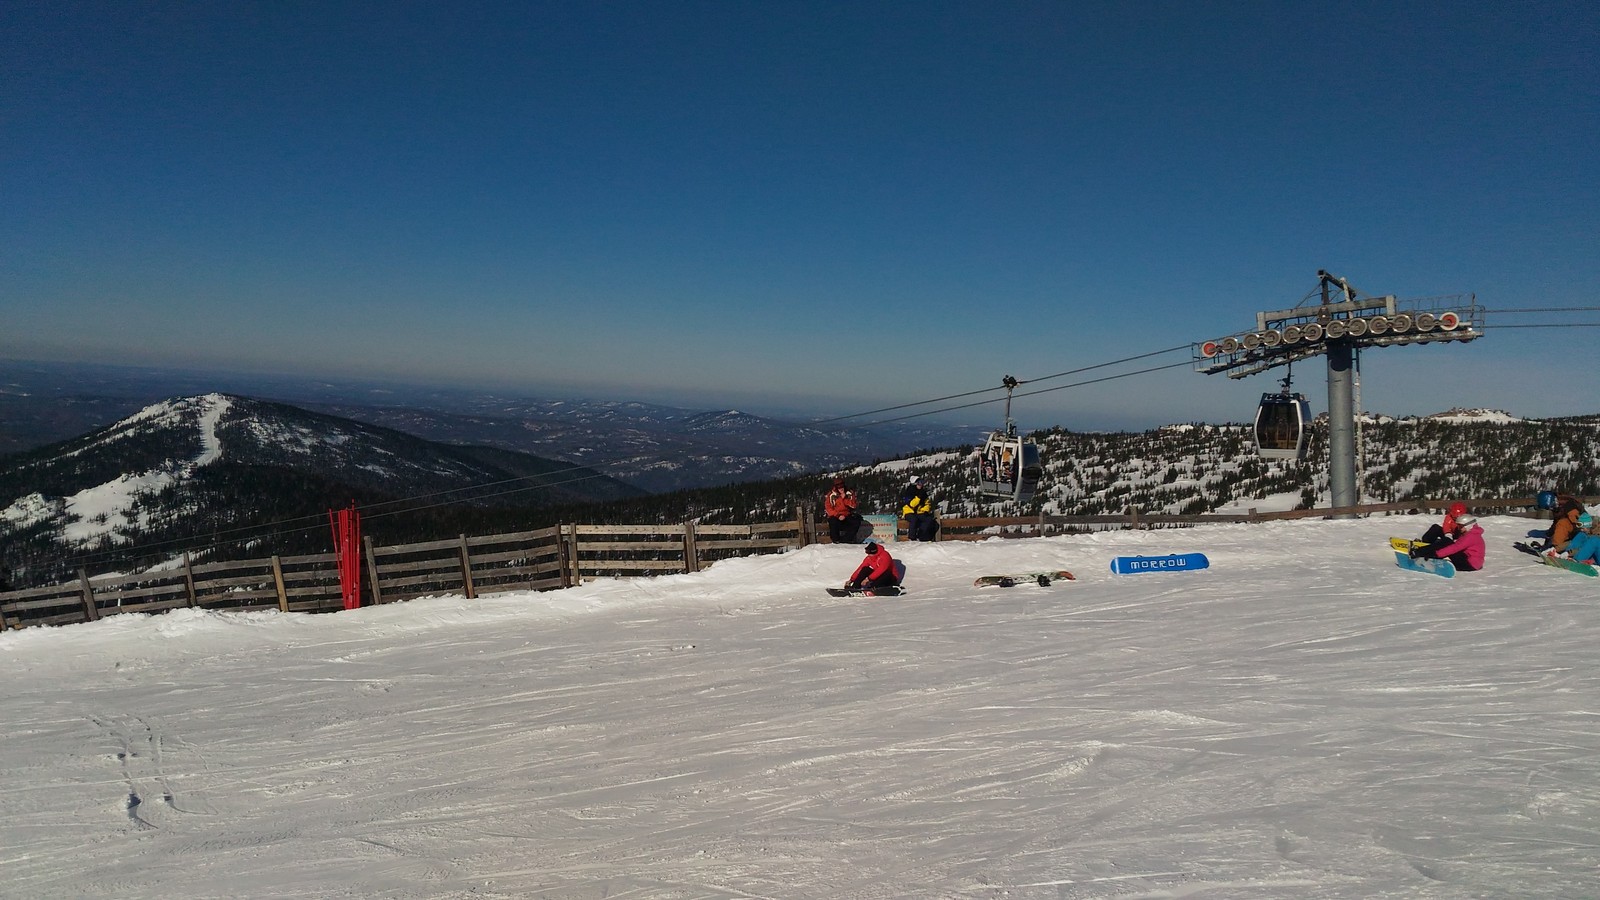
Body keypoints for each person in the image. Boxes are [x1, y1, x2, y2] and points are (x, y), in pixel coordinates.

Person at [1410, 513, 1485, 571]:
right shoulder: (1472, 534)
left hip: (1469, 564)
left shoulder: (1471, 536)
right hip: (1471, 563)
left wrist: (1436, 554)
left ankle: (1419, 552)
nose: (1459, 528)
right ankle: (1422, 551)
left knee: (1447, 542)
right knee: (1445, 542)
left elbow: (1454, 548)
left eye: (1461, 526)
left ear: (1469, 526)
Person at [899, 476, 938, 542]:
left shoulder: (923, 493)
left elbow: (927, 504)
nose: (920, 485)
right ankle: (912, 538)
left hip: (919, 512)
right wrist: (918, 498)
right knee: (914, 520)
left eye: (921, 483)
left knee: (930, 521)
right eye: (919, 483)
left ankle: (923, 537)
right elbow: (912, 504)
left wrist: (925, 510)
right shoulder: (909, 493)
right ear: (914, 484)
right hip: (909, 511)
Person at [823, 477, 861, 544]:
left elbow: (854, 505)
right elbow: (828, 508)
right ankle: (836, 540)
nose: (841, 489)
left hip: (847, 515)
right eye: (839, 488)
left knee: (856, 521)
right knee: (832, 521)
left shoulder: (849, 493)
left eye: (842, 487)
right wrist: (838, 515)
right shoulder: (831, 495)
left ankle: (846, 540)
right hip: (836, 516)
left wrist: (844, 499)